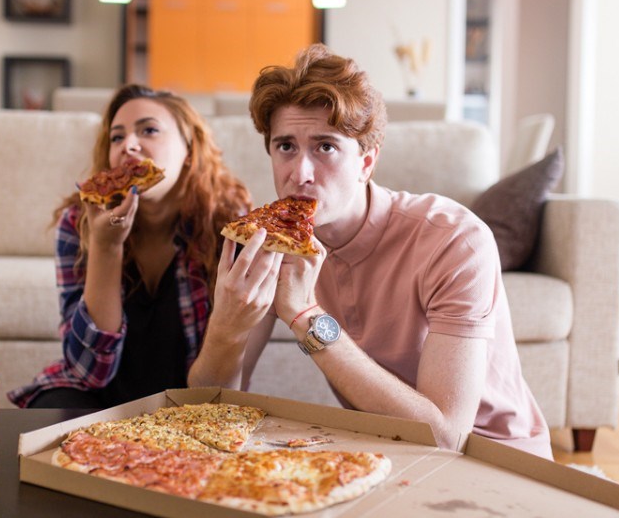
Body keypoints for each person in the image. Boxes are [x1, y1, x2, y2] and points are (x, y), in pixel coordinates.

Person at [188, 44, 553, 460]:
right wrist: (226, 328)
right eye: (285, 146)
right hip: (380, 451)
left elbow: (447, 437)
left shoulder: (455, 241)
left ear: (366, 162)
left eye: (325, 147)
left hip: (496, 458)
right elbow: (208, 408)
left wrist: (306, 316)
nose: (299, 174)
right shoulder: (270, 243)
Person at [9, 84, 250, 409]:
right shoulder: (78, 221)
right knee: (51, 422)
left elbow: (221, 386)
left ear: (190, 148)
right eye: (117, 137)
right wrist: (106, 248)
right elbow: (89, 373)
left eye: (148, 130)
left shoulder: (230, 225)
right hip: (93, 396)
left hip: (186, 402)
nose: (129, 146)